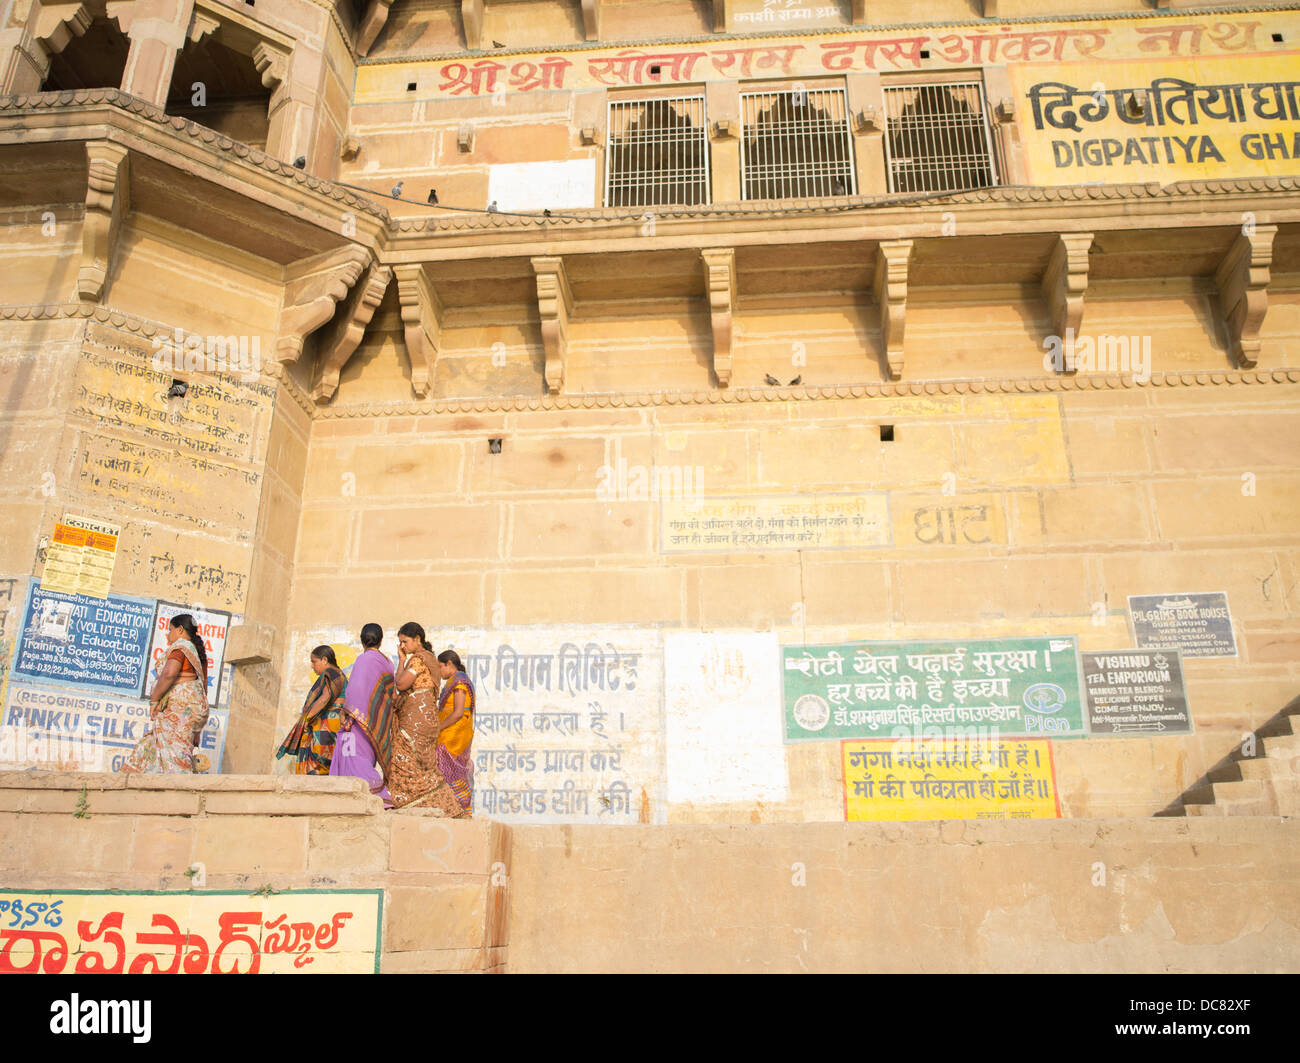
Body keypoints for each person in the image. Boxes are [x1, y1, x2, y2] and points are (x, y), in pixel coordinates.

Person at [387, 622, 465, 816]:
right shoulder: (429, 660)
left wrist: (402, 661)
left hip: (416, 721)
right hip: (428, 720)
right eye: (400, 643)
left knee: (402, 758)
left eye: (404, 641)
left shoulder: (419, 660)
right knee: (424, 768)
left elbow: (401, 683)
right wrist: (403, 659)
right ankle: (447, 807)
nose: (402, 646)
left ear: (417, 639)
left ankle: (412, 804)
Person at [121, 613, 210, 774]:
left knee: (175, 757)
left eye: (170, 630)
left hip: (180, 710)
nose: (168, 635)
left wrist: (154, 700)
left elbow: (169, 674)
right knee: (151, 746)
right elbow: (203, 689)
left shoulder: (182, 647)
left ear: (180, 630)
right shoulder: (197, 654)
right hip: (192, 711)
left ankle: (179, 793)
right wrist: (197, 730)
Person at [329, 623, 395, 806]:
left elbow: (355, 690)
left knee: (354, 757)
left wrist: (346, 711)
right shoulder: (388, 663)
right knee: (364, 757)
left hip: (357, 720)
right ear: (381, 641)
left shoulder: (362, 660)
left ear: (361, 640)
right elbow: (387, 695)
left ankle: (377, 793)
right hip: (376, 721)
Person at [275, 645, 347, 775]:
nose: (312, 666)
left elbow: (325, 698)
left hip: (326, 724)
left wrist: (308, 718)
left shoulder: (330, 673)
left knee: (317, 765)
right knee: (330, 764)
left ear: (324, 660)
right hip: (335, 724)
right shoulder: (341, 674)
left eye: (314, 662)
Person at [435, 650, 476, 816]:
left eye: (440, 667)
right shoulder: (455, 680)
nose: (439, 672)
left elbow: (458, 712)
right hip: (450, 732)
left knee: (448, 771)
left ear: (449, 664)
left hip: (453, 735)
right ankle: (452, 809)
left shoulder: (459, 682)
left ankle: (457, 809)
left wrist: (440, 726)